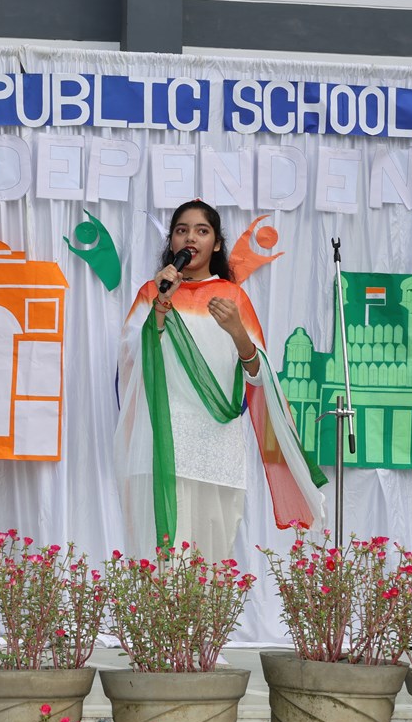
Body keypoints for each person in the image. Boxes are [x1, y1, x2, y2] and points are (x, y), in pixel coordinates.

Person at [114, 200, 325, 561]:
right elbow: (131, 361)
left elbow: (258, 377)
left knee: (211, 566)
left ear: (216, 244)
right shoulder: (153, 293)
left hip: (216, 448)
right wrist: (162, 305)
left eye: (201, 230)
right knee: (160, 564)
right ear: (172, 242)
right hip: (160, 443)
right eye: (181, 230)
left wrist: (238, 333)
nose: (190, 238)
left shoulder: (233, 297)